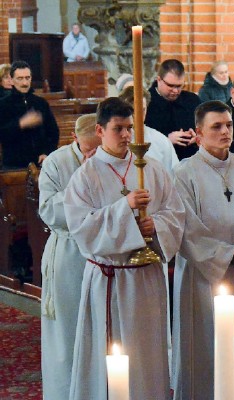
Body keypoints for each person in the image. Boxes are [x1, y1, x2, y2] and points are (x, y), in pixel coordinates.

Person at [64, 97, 184, 400]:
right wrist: (127, 210)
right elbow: (83, 229)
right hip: (111, 280)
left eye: (130, 128)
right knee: (112, 357)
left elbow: (176, 212)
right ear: (101, 130)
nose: (127, 136)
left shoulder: (152, 169)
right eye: (119, 129)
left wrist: (155, 225)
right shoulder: (85, 176)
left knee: (148, 355)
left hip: (147, 278)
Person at [171, 101, 234, 399]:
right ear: (198, 134)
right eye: (216, 127)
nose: (225, 132)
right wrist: (229, 254)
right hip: (201, 277)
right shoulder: (184, 174)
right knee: (204, 348)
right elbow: (185, 230)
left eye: (229, 125)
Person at [39, 114, 101, 400]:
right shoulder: (56, 162)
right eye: (88, 149)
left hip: (101, 251)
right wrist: (82, 179)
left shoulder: (110, 159)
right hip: (68, 253)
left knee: (99, 332)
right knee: (67, 334)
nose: (93, 155)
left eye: (98, 149)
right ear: (75, 139)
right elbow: (49, 211)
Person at [0, 61, 59, 168]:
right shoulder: (3, 104)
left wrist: (46, 152)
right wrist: (20, 124)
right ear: (12, 80)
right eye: (20, 78)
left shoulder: (40, 103)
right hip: (13, 164)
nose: (25, 83)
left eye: (27, 78)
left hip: (41, 162)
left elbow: (53, 132)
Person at [145, 59, 202, 160]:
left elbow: (207, 130)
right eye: (170, 85)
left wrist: (198, 137)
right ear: (159, 80)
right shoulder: (146, 103)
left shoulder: (192, 100)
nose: (175, 91)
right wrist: (166, 140)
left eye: (179, 86)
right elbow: (137, 141)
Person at [119, 86, 180, 175]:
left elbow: (174, 177)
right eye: (132, 111)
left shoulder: (161, 141)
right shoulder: (115, 140)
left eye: (142, 110)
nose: (138, 116)